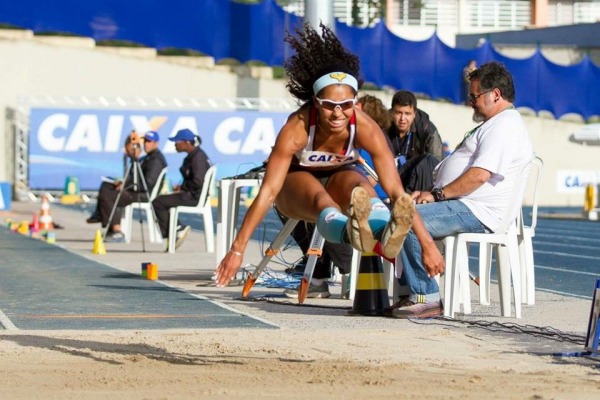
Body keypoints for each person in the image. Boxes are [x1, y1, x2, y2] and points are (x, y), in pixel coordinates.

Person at [214, 22, 444, 289]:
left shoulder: (365, 127)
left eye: (346, 106)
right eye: (329, 106)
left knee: (361, 188)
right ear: (315, 102)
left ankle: (377, 225)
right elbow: (268, 191)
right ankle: (354, 233)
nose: (337, 114)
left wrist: (428, 245)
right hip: (295, 185)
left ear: (355, 103)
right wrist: (237, 250)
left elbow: (396, 192)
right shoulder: (296, 128)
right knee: (323, 200)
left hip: (339, 178)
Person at [389, 61, 533, 319]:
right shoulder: (496, 123)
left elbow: (479, 175)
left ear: (495, 95)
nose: (470, 101)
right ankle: (408, 293)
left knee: (409, 218)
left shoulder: (504, 126)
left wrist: (437, 195)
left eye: (474, 96)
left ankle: (427, 296)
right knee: (401, 210)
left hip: (478, 210)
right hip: (466, 205)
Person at [87, 131, 167, 242]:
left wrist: (126, 186)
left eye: (149, 141)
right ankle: (100, 215)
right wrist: (123, 182)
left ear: (156, 143)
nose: (146, 144)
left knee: (109, 197)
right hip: (135, 190)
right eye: (145, 141)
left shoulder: (156, 160)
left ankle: (116, 231)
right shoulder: (146, 158)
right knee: (106, 185)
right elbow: (134, 176)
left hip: (143, 194)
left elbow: (147, 183)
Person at [152, 128, 212, 249]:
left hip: (194, 197)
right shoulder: (194, 155)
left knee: (158, 202)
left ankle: (176, 230)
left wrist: (183, 187)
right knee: (161, 201)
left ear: (186, 142)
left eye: (177, 141)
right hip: (192, 193)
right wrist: (181, 187)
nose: (175, 144)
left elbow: (198, 181)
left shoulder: (198, 157)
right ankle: (175, 230)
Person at [387, 90, 443, 193]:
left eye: (407, 113)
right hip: (389, 177)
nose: (402, 119)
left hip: (418, 182)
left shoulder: (427, 130)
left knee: (427, 161)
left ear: (414, 114)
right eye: (398, 113)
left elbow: (436, 165)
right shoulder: (383, 125)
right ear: (392, 112)